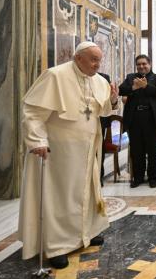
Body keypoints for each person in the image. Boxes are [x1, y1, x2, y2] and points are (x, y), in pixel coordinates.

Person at [20, 41, 119, 269]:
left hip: (87, 149)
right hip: (59, 152)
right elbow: (33, 112)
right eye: (93, 59)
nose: (97, 64)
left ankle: (86, 233)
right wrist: (37, 141)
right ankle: (58, 246)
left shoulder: (99, 80)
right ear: (78, 58)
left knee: (86, 191)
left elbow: (103, 109)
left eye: (99, 60)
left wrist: (113, 100)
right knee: (60, 194)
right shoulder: (55, 76)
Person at [119, 55, 156, 189]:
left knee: (152, 150)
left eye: (144, 64)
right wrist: (133, 88)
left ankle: (152, 178)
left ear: (149, 64)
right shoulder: (130, 78)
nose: (141, 66)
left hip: (152, 118)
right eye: (139, 64)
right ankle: (138, 178)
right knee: (136, 150)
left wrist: (146, 87)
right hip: (134, 119)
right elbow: (121, 90)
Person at [98, 72, 111, 186]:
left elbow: (109, 100)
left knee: (99, 150)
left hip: (100, 120)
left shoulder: (103, 77)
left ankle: (99, 177)